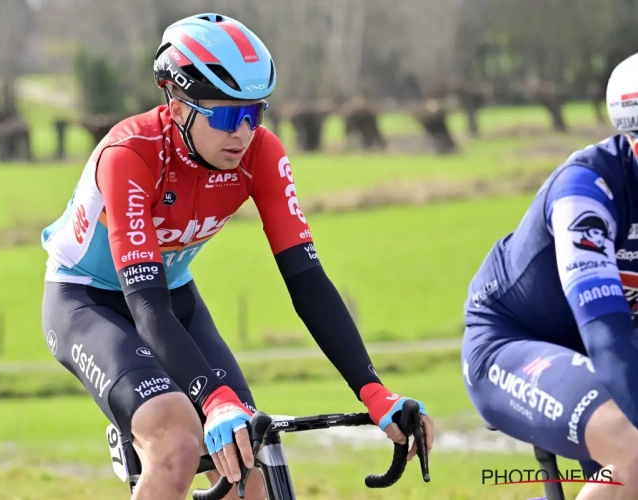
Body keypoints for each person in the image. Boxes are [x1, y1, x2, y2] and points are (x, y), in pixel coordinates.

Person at [40, 13, 433, 500]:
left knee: (247, 459)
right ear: (179, 103)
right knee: (177, 441)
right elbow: (145, 305)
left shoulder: (260, 155)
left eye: (256, 113)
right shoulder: (131, 155)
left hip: (174, 298)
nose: (244, 132)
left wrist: (375, 393)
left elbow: (307, 280)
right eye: (227, 115)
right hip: (91, 303)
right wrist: (214, 401)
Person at [462, 52, 638, 500]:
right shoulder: (586, 190)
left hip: (595, 351)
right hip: (509, 343)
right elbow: (607, 338)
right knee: (633, 454)